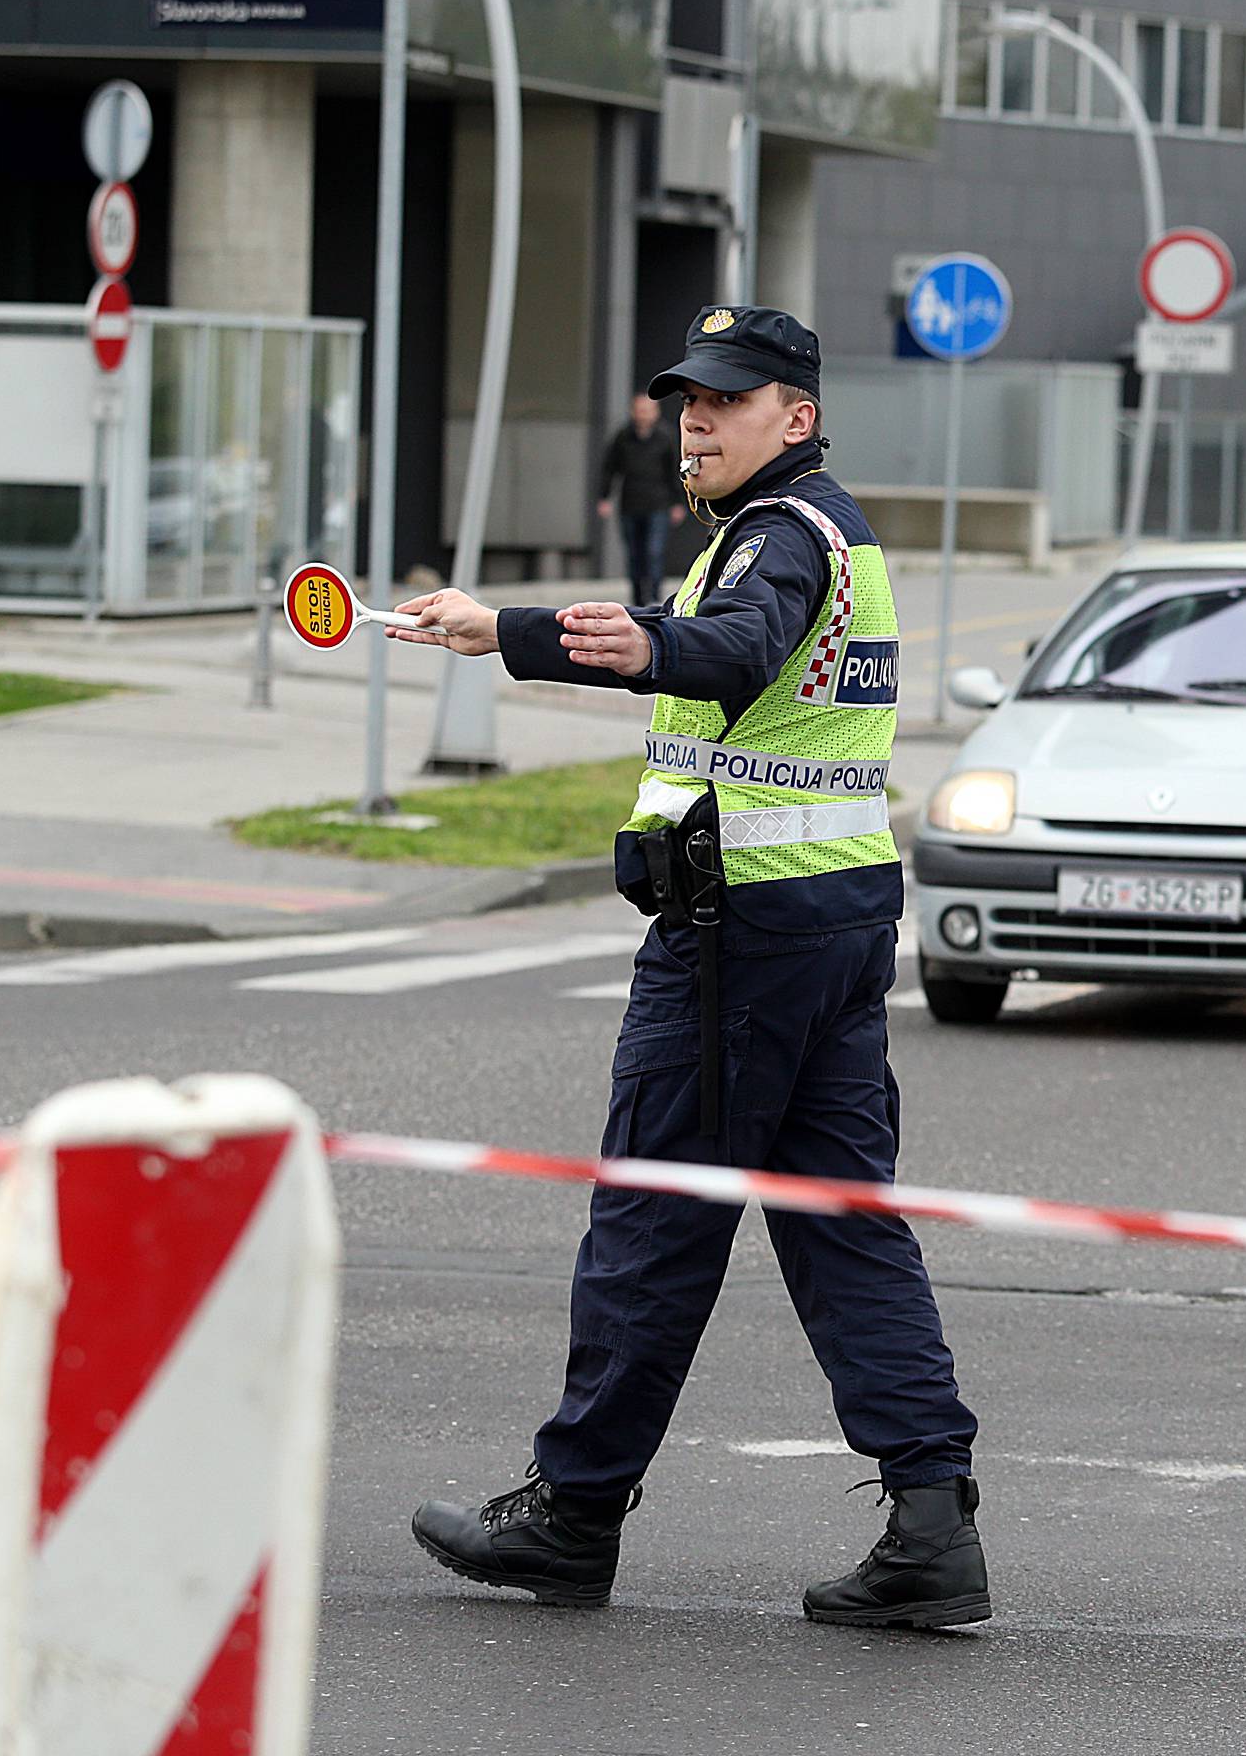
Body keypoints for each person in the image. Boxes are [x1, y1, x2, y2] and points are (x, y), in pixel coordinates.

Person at [388, 304, 988, 1630]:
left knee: (652, 1224)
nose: (693, 421)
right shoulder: (834, 533)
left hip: (744, 939)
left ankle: (573, 1514)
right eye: (687, 399)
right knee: (843, 1223)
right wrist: (550, 632)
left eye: (727, 400)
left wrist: (616, 639)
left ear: (799, 417)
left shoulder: (779, 542)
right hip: (829, 920)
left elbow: (737, 648)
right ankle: (932, 1520)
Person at [597, 392, 687, 607]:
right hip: (630, 503)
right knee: (634, 554)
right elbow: (610, 469)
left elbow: (675, 471)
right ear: (632, 412)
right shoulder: (623, 436)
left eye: (647, 410)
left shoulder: (665, 437)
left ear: (655, 413)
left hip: (659, 504)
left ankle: (654, 595)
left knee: (653, 551)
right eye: (639, 410)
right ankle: (637, 597)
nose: (643, 415)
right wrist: (604, 497)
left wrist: (678, 502)